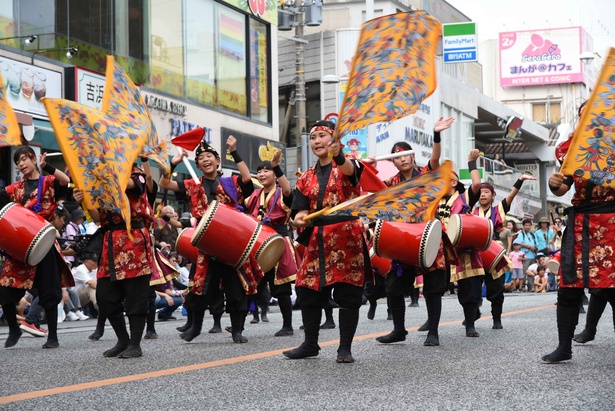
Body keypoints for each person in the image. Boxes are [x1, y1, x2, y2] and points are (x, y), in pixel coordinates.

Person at [159, 135, 260, 344]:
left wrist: (234, 151)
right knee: (199, 286)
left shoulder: (230, 182)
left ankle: (237, 330)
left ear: (217, 161)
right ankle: (195, 328)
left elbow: (247, 179)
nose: (205, 160)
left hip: (230, 241)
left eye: (209, 156)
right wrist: (174, 162)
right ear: (197, 165)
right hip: (205, 243)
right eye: (201, 158)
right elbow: (165, 183)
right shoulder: (191, 185)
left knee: (235, 288)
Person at [285, 119, 369, 363]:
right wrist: (300, 219)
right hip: (317, 239)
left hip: (346, 237)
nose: (317, 141)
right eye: (313, 137)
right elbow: (300, 210)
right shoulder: (306, 177)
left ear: (333, 139)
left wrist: (339, 155)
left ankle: (344, 348)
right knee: (307, 289)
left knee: (348, 293)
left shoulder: (347, 164)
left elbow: (350, 172)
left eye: (322, 135)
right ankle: (310, 344)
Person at [542, 101, 615, 364]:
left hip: (612, 221)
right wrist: (554, 184)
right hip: (581, 221)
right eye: (583, 116)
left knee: (613, 287)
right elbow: (562, 189)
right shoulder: (572, 149)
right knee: (568, 285)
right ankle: (564, 347)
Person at [374, 116, 456, 347]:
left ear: (412, 156)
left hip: (429, 235)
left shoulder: (426, 175)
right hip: (404, 239)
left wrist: (436, 134)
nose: (402, 159)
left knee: (432, 287)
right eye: (397, 157)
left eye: (405, 154)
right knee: (394, 287)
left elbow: (436, 157)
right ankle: (399, 330)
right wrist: (368, 166)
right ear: (394, 162)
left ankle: (433, 332)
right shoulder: (391, 184)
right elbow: (373, 194)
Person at [0, 147, 74, 349]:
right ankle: (14, 329)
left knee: (49, 291)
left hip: (44, 242)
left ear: (33, 159)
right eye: (17, 162)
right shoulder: (14, 189)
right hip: (21, 244)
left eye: (24, 159)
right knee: (5, 290)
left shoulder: (48, 182)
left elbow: (65, 182)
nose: (21, 164)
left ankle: (53, 337)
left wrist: (47, 166)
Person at [85, 162, 156, 358]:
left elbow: (127, 185)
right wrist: (86, 199)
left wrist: (100, 180)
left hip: (134, 240)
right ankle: (123, 340)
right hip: (110, 242)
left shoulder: (136, 173)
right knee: (105, 297)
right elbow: (98, 217)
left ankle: (135, 344)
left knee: (136, 296)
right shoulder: (101, 178)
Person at [245, 150, 300, 336]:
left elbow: (287, 190)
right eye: (259, 171)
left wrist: (277, 166)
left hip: (278, 241)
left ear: (274, 174)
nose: (261, 174)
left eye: (266, 170)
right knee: (251, 283)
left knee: (280, 287)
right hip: (259, 242)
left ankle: (287, 325)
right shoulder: (254, 195)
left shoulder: (280, 192)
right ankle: (239, 326)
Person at [472, 174, 535, 329]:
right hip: (475, 252)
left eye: (486, 192)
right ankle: (473, 313)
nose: (482, 195)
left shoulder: (498, 209)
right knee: (472, 286)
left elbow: (512, 195)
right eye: (480, 192)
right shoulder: (471, 210)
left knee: (496, 289)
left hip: (494, 251)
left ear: (493, 195)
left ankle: (496, 319)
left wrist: (520, 180)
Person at [440, 149, 482, 337]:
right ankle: (431, 326)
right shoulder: (436, 202)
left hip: (464, 252)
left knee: (468, 290)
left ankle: (470, 324)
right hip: (441, 252)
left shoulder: (464, 198)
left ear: (454, 182)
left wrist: (471, 162)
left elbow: (477, 184)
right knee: (436, 289)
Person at [517, 219, 537, 291]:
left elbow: (536, 244)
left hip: (533, 255)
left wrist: (535, 247)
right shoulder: (521, 234)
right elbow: (519, 243)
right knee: (525, 272)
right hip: (525, 256)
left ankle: (531, 287)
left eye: (529, 225)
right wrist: (528, 246)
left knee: (532, 272)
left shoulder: (533, 234)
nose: (528, 227)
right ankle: (522, 286)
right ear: (523, 226)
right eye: (526, 225)